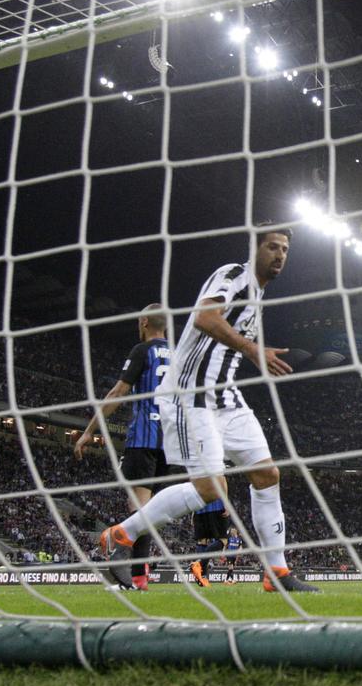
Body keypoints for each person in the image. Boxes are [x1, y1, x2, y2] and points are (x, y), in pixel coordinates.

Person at [99, 227, 318, 593]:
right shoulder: (232, 275)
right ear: (256, 249)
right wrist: (251, 349)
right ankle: (120, 535)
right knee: (211, 488)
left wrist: (249, 350)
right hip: (190, 395)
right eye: (272, 247)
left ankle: (276, 572)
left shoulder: (259, 295)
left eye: (285, 249)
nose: (280, 255)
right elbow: (204, 317)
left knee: (267, 475)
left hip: (225, 397)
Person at [75, 303, 174, 591]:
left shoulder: (142, 351)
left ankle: (130, 577)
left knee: (139, 509)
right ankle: (140, 578)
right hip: (169, 442)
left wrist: (88, 431)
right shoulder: (179, 355)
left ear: (144, 322)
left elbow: (118, 392)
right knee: (150, 511)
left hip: (144, 437)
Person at [190, 498, 229, 587]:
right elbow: (222, 484)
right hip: (216, 506)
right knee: (223, 540)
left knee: (202, 541)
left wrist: (193, 512)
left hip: (199, 507)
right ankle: (199, 563)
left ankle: (203, 577)